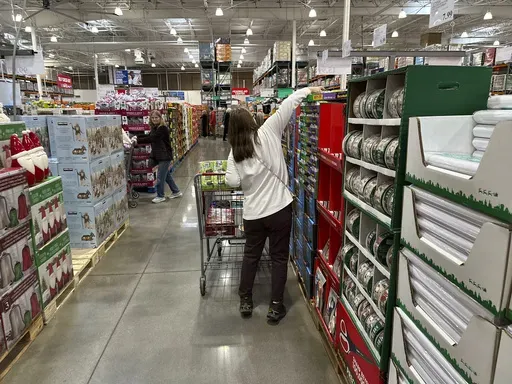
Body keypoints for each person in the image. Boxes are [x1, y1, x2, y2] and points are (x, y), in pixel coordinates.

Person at [225, 86, 322, 325]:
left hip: (253, 214)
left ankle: (246, 300)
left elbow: (231, 181)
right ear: (251, 121)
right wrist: (310, 89)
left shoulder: (235, 152)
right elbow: (289, 103)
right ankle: (275, 306)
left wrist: (248, 183)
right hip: (279, 209)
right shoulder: (269, 130)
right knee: (279, 258)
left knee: (251, 256)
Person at [136, 110, 182, 204]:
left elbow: (153, 138)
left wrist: (138, 141)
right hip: (160, 156)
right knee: (166, 176)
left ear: (160, 118)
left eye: (156, 117)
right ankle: (176, 191)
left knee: (160, 177)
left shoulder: (162, 128)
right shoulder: (155, 128)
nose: (154, 119)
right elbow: (148, 135)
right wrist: (136, 137)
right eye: (152, 118)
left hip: (165, 156)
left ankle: (160, 196)